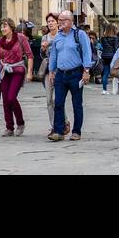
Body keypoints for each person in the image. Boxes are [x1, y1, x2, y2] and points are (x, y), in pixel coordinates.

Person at [47, 10, 92, 142]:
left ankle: (76, 131)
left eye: (62, 20)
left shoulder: (80, 34)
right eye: (59, 20)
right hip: (61, 74)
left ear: (71, 21)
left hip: (76, 73)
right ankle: (58, 131)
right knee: (58, 102)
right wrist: (51, 71)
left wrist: (86, 71)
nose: (59, 22)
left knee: (77, 103)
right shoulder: (58, 37)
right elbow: (54, 55)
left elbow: (86, 52)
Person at [0, 18, 33, 137]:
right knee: (5, 100)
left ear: (11, 27)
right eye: (2, 26)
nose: (3, 29)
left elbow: (29, 55)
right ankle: (9, 127)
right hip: (5, 71)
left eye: (5, 26)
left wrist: (29, 72)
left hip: (18, 70)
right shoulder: (1, 41)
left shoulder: (20, 38)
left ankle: (20, 123)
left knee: (11, 97)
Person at [98, 26, 119, 94]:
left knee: (105, 73)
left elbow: (101, 47)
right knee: (116, 73)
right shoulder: (115, 38)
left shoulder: (102, 38)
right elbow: (116, 48)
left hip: (104, 56)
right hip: (113, 56)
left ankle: (104, 90)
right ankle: (115, 90)